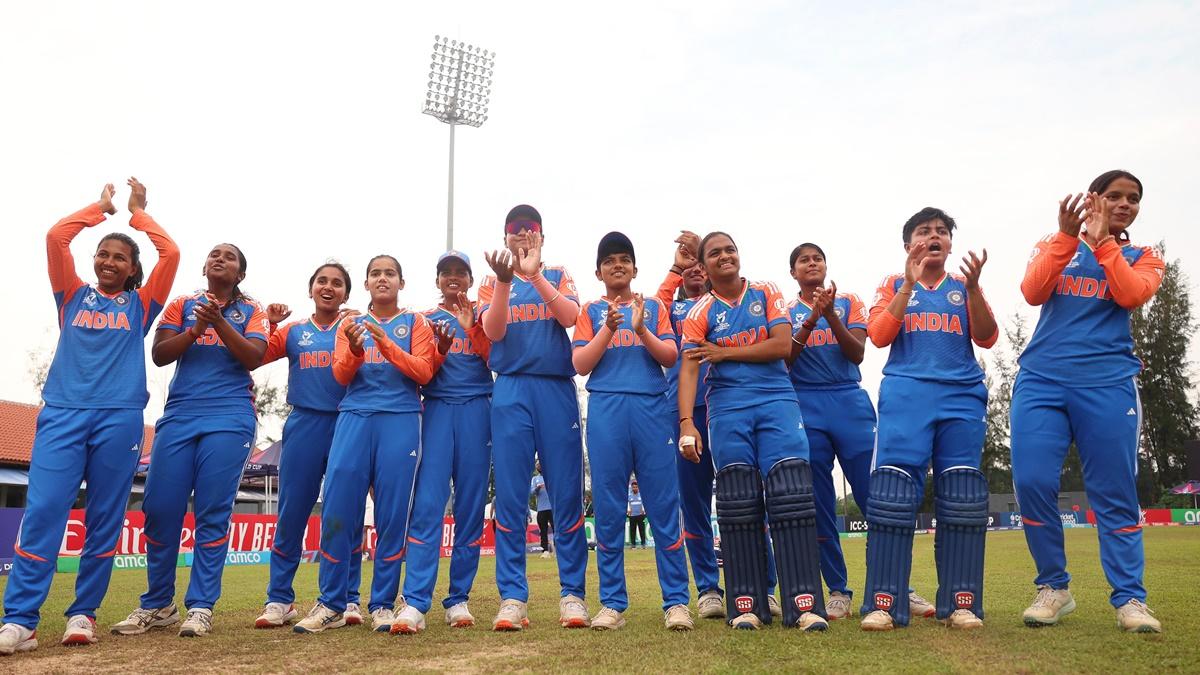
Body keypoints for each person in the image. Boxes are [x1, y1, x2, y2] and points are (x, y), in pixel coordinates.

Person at [0, 180, 179, 656]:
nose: (108, 261)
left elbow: (172, 254)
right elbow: (57, 237)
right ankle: (20, 621)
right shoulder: (71, 297)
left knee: (103, 518)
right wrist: (100, 210)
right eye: (103, 254)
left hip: (119, 418)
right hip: (61, 414)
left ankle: (84, 614)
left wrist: (139, 215)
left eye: (120, 257)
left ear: (133, 269)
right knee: (42, 513)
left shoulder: (143, 306)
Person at [1011, 171, 1165, 633]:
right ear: (1094, 198)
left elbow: (1131, 293)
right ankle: (1054, 588)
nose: (1124, 204)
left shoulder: (1143, 255)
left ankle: (1130, 600)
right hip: (1041, 381)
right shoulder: (1056, 242)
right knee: (1033, 481)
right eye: (1114, 196)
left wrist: (1103, 245)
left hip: (1108, 383)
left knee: (1114, 491)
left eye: (1133, 199)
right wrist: (1066, 236)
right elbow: (1032, 291)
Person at [111, 242, 270, 638]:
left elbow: (253, 357)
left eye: (230, 257)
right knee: (161, 508)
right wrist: (197, 327)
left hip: (230, 416)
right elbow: (160, 354)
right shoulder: (183, 304)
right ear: (204, 266)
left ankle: (200, 607)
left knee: (212, 511)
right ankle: (158, 604)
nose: (220, 259)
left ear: (241, 275)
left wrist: (218, 323)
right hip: (180, 415)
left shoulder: (253, 311)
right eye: (214, 254)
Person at [291, 255, 450, 634]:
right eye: (375, 274)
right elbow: (340, 373)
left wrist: (386, 346)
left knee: (392, 516)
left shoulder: (415, 323)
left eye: (390, 273)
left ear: (401, 282)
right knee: (337, 510)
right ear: (366, 284)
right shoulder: (350, 323)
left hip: (400, 419)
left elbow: (424, 371)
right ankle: (330, 602)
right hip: (355, 417)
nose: (382, 279)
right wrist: (358, 350)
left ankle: (381, 604)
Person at [678, 232, 827, 632]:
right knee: (738, 501)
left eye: (730, 249)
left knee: (790, 495)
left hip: (777, 400)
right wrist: (687, 423)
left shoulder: (766, 292)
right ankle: (747, 604)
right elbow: (690, 366)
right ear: (705, 266)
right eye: (715, 253)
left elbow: (781, 345)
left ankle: (804, 604)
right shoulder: (700, 311)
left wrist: (723, 352)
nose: (725, 256)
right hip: (726, 408)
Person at [860, 207, 997, 632]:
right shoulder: (891, 284)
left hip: (961, 396)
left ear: (951, 243)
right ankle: (885, 602)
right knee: (892, 496)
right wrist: (906, 284)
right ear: (908, 245)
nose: (934, 237)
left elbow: (988, 336)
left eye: (941, 232)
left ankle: (961, 602)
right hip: (907, 395)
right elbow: (879, 336)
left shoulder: (962, 285)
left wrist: (974, 289)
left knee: (961, 496)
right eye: (924, 232)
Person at [572, 231, 692, 631]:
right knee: (607, 509)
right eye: (610, 261)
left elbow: (671, 356)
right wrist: (607, 329)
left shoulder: (653, 305)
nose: (617, 265)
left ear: (635, 268)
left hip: (651, 407)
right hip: (606, 408)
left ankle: (676, 602)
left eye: (624, 259)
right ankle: (612, 603)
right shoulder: (589, 310)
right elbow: (581, 364)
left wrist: (641, 328)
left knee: (662, 505)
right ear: (598, 271)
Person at [479, 205, 590, 631]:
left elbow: (571, 317)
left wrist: (535, 274)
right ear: (505, 238)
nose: (523, 237)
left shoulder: (559, 274)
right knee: (509, 494)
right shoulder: (492, 280)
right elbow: (494, 332)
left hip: (555, 388)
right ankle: (512, 597)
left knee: (566, 492)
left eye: (531, 231)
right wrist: (508, 281)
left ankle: (573, 595)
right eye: (515, 232)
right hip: (510, 388)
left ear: (542, 237)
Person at [252, 262, 368, 629]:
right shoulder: (294, 331)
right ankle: (279, 599)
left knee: (344, 514)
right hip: (303, 423)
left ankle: (348, 598)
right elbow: (254, 356)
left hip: (347, 424)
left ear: (347, 293)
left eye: (337, 283)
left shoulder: (356, 326)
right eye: (322, 281)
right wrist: (269, 324)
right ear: (311, 289)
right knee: (291, 513)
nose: (329, 287)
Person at [393, 250, 494, 634]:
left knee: (470, 508)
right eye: (446, 273)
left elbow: (497, 357)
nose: (453, 278)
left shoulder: (484, 313)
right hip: (435, 410)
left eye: (461, 273)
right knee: (428, 506)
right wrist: (437, 349)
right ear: (437, 280)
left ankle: (458, 599)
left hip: (477, 412)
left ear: (470, 280)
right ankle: (416, 601)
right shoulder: (422, 319)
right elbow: (416, 370)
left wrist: (474, 329)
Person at [784, 243, 875, 621]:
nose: (811, 263)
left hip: (848, 400)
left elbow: (857, 353)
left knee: (876, 498)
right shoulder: (784, 311)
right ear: (793, 273)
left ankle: (893, 582)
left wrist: (830, 315)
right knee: (819, 503)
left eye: (817, 258)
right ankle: (838, 590)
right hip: (806, 403)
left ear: (826, 266)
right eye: (803, 259)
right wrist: (810, 319)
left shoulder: (849, 301)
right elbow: (786, 358)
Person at [655, 231, 726, 620]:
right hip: (683, 413)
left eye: (703, 265)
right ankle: (708, 588)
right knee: (694, 505)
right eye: (690, 267)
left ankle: (759, 584)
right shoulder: (673, 313)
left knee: (743, 497)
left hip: (728, 406)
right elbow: (653, 305)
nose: (696, 272)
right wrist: (676, 266)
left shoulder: (723, 305)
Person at [531, 464, 553, 558]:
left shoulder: (552, 476)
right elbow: (531, 492)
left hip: (552, 507)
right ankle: (545, 551)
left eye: (540, 464)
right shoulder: (535, 479)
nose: (539, 466)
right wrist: (538, 488)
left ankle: (559, 549)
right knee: (543, 531)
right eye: (537, 465)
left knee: (557, 529)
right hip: (541, 508)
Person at [627, 482, 647, 549]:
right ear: (632, 488)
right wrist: (628, 509)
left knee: (642, 530)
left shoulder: (641, 494)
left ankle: (643, 544)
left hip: (640, 514)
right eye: (633, 487)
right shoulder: (629, 495)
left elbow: (644, 502)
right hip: (632, 515)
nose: (634, 488)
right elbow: (627, 503)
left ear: (638, 487)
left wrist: (643, 509)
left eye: (636, 487)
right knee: (632, 530)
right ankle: (633, 544)